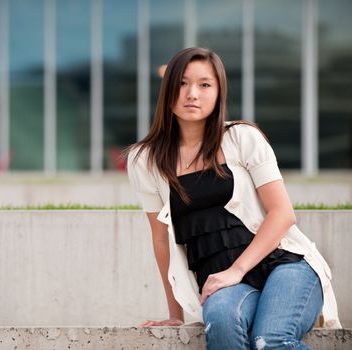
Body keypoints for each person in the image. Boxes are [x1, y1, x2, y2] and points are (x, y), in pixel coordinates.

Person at [126, 47, 341, 350]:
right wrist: (174, 314)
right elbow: (161, 240)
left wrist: (236, 270)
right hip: (223, 282)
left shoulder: (242, 138)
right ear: (168, 90)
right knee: (223, 324)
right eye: (182, 83)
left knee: (272, 339)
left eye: (204, 85)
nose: (192, 94)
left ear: (218, 93)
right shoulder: (145, 160)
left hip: (285, 265)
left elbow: (282, 213)